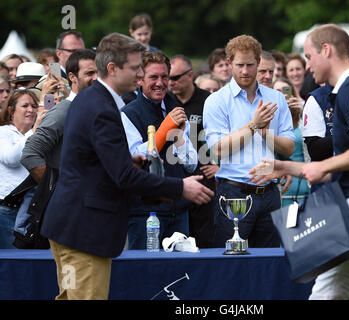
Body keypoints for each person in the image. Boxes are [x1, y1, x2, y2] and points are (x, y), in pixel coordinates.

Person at [40, 33, 213, 300]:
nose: (140, 74)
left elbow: (96, 161)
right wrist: (180, 187)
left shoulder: (94, 99)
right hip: (83, 230)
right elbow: (123, 176)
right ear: (112, 68)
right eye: (135, 68)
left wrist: (127, 160)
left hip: (72, 225)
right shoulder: (102, 107)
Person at [250, 24, 349, 300]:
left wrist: (321, 166)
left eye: (309, 56)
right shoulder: (348, 89)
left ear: (327, 50)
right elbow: (345, 161)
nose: (307, 64)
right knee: (325, 296)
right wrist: (286, 167)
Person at [203, 34, 295, 249]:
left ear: (258, 63)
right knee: (231, 262)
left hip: (271, 193)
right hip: (235, 193)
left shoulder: (277, 98)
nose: (245, 71)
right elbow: (218, 150)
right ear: (229, 63)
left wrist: (266, 135)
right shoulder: (217, 101)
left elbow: (289, 148)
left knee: (269, 263)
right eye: (240, 65)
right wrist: (254, 125)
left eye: (250, 65)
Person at [17, 50, 98, 249]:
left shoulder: (97, 108)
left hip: (90, 211)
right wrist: (58, 190)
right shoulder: (64, 110)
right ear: (72, 77)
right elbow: (29, 154)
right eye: (89, 73)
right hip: (63, 216)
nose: (95, 79)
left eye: (98, 73)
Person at [121, 51, 198, 249]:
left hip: (178, 211)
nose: (160, 83)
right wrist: (165, 130)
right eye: (153, 77)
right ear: (140, 79)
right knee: (144, 274)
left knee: (181, 274)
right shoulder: (128, 115)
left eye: (164, 77)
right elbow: (139, 160)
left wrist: (179, 137)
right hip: (144, 213)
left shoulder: (176, 108)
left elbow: (191, 164)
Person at [169, 54, 217, 248]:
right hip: (175, 179)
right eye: (168, 78)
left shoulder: (208, 101)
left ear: (190, 75)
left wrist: (219, 165)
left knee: (204, 239)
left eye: (175, 78)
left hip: (204, 178)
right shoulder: (166, 101)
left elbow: (225, 135)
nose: (170, 83)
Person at [0, 89, 44, 248]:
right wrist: (34, 131)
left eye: (34, 106)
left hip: (33, 212)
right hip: (7, 212)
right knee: (12, 263)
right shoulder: (3, 132)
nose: (31, 110)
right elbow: (11, 158)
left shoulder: (38, 135)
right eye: (25, 106)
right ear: (11, 110)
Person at [273, 77, 309, 206]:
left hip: (305, 182)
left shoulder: (302, 116)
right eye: (277, 91)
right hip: (280, 185)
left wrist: (303, 112)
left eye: (285, 91)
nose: (282, 95)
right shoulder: (267, 121)